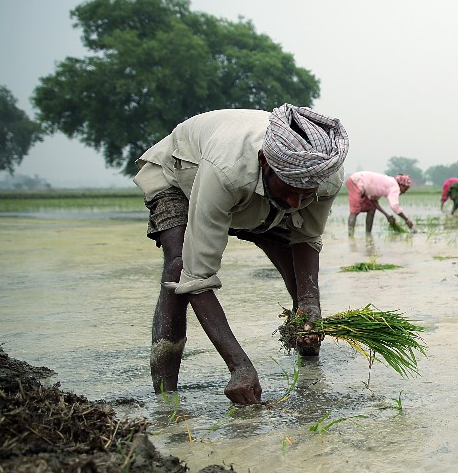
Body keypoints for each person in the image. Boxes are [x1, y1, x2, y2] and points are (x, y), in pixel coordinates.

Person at [133, 104, 350, 405]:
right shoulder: (226, 170)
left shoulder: (322, 174)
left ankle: (311, 370)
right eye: (290, 188)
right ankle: (165, 398)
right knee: (179, 264)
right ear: (264, 161)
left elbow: (305, 239)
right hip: (182, 175)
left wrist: (310, 303)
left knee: (301, 285)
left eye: (305, 193)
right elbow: (197, 276)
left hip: (256, 196)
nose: (296, 201)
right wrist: (239, 365)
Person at [346, 171, 416, 235]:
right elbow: (395, 206)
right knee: (354, 211)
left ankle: (368, 234)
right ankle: (350, 236)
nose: (404, 192)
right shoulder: (394, 186)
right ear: (401, 185)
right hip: (356, 182)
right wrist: (406, 219)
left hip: (360, 183)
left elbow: (373, 202)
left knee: (371, 209)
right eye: (405, 189)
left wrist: (387, 216)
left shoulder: (387, 184)